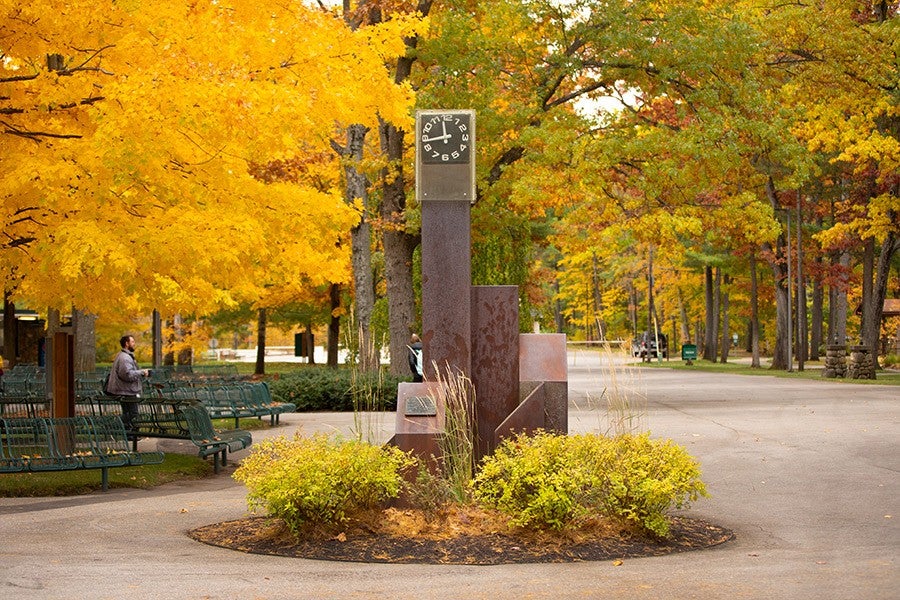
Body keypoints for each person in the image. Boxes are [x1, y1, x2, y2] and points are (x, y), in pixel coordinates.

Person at [106, 335, 150, 430]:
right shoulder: (125, 358)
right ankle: (111, 425)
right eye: (133, 342)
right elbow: (127, 375)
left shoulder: (124, 356)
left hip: (124, 390)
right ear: (127, 343)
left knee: (127, 413)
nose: (134, 344)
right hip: (125, 391)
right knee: (133, 413)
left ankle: (128, 434)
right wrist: (142, 372)